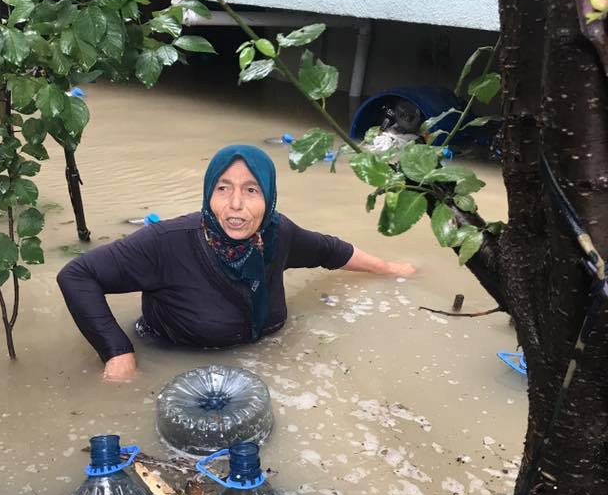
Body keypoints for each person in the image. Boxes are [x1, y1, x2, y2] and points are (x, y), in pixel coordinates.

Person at [57, 144, 416, 382]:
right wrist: (118, 353)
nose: (236, 206)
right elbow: (77, 274)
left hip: (259, 362)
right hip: (176, 363)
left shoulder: (277, 234)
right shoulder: (165, 243)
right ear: (208, 192)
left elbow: (330, 251)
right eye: (223, 188)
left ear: (269, 197)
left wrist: (388, 270)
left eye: (251, 190)